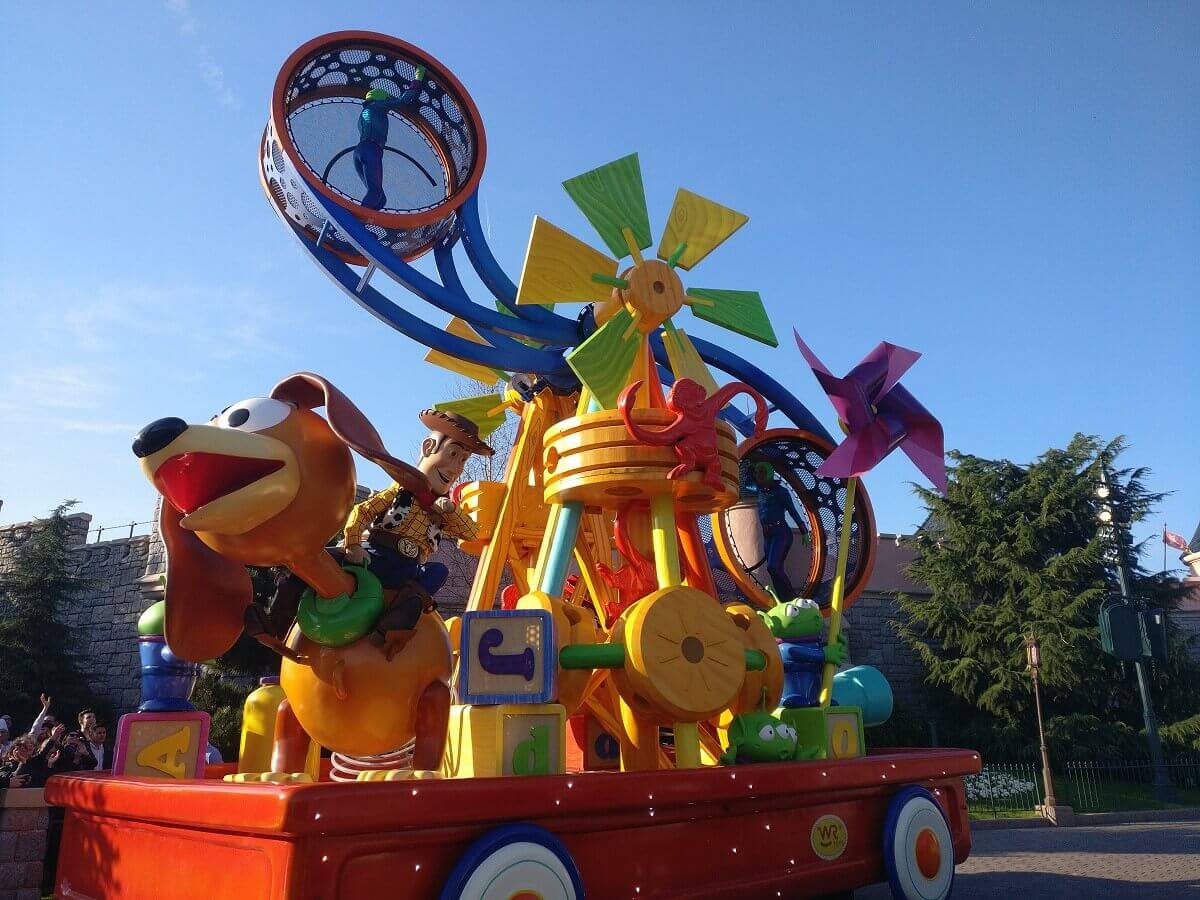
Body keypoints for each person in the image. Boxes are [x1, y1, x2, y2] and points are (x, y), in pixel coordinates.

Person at [341, 409, 490, 642]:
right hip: (377, 555)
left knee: (438, 572)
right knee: (323, 559)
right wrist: (352, 545)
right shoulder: (400, 489)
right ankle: (274, 618)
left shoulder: (441, 511)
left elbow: (471, 533)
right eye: (453, 454)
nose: (456, 468)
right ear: (429, 447)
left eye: (463, 460)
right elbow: (364, 510)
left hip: (408, 568)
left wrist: (452, 510)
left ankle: (389, 628)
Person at [354, 68, 425, 210]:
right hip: (371, 150)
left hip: (359, 152)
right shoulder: (379, 105)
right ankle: (357, 221)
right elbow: (404, 100)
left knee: (381, 198)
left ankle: (365, 221)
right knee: (375, 192)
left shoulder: (365, 111)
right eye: (388, 99)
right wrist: (419, 77)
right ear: (382, 99)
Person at [747, 461, 809, 602]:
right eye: (757, 473)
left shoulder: (781, 492)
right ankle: (782, 600)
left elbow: (793, 511)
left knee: (774, 566)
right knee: (772, 569)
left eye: (762, 472)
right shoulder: (759, 490)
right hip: (768, 535)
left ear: (769, 474)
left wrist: (804, 530)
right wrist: (750, 465)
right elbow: (745, 484)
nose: (759, 475)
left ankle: (792, 598)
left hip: (781, 533)